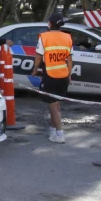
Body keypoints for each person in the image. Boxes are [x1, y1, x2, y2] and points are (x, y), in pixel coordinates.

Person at [31, 13, 73, 144]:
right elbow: (70, 59)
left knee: (52, 106)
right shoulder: (67, 37)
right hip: (63, 75)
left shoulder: (44, 37)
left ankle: (60, 133)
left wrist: (34, 71)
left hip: (50, 75)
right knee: (56, 104)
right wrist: (69, 74)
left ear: (50, 24)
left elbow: (38, 57)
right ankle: (52, 132)